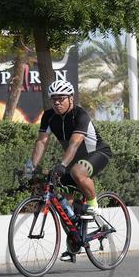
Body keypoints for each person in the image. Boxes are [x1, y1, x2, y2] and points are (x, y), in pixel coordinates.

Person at [24, 79, 112, 245]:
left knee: (77, 171)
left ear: (71, 98)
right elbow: (42, 141)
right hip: (74, 159)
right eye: (54, 99)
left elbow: (74, 143)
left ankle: (93, 206)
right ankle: (75, 240)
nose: (57, 103)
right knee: (64, 205)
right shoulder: (49, 116)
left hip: (97, 153)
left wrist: (63, 165)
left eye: (61, 99)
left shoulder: (80, 115)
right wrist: (31, 165)